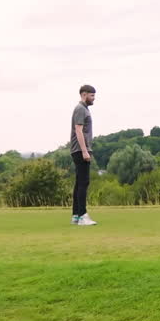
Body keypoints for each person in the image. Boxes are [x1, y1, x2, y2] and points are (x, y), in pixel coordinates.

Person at [70, 85, 98, 226]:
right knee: (83, 183)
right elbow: (78, 131)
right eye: (91, 96)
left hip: (79, 150)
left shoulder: (83, 109)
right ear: (84, 94)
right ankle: (82, 216)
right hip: (81, 150)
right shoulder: (80, 109)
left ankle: (76, 215)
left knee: (79, 183)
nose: (94, 98)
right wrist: (85, 151)